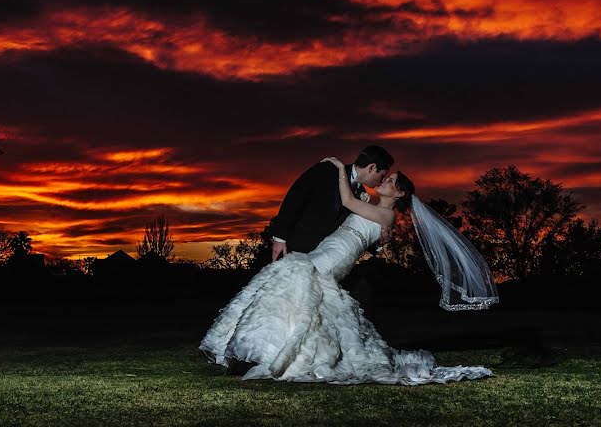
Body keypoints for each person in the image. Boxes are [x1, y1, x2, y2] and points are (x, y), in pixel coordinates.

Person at [199, 157, 498, 385]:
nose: (384, 180)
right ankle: (264, 351)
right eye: (386, 176)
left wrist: (339, 167)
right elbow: (354, 209)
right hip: (327, 250)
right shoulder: (376, 207)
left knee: (293, 282)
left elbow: (347, 200)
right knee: (293, 296)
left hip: (334, 258)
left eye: (391, 180)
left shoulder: (386, 214)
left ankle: (281, 356)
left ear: (400, 192)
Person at [269, 145, 394, 261]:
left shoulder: (360, 195)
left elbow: (351, 231)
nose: (382, 181)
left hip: (321, 257)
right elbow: (296, 196)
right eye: (382, 175)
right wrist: (280, 237)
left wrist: (377, 243)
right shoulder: (328, 169)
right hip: (293, 245)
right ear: (371, 167)